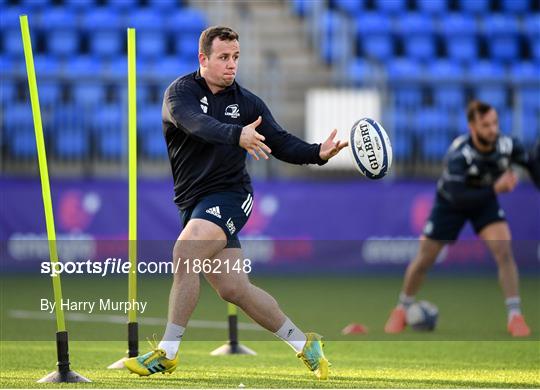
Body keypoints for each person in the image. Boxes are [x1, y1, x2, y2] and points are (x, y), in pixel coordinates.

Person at [124, 26, 347, 380]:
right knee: (234, 289)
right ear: (204, 59)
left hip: (231, 196)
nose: (232, 65)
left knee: (186, 252)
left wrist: (318, 153)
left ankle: (167, 351)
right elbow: (195, 124)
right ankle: (305, 343)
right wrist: (236, 134)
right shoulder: (180, 93)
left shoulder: (248, 104)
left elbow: (282, 142)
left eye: (236, 58)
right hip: (193, 202)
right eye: (224, 57)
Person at [384, 100, 540, 337]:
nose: (493, 129)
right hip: (451, 203)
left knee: (504, 251)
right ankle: (401, 308)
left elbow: (531, 166)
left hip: (485, 201)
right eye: (486, 125)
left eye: (495, 123)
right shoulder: (460, 153)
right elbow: (460, 197)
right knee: (425, 258)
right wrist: (496, 189)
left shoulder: (507, 145)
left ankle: (515, 316)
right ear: (472, 127)